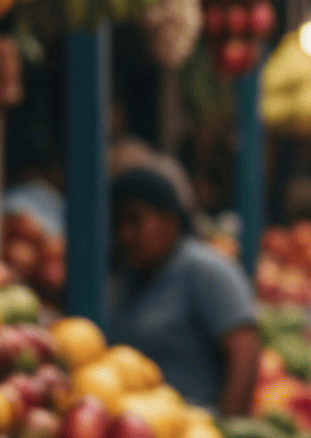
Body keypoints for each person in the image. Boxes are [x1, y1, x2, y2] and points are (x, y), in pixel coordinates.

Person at [106, 164, 259, 416]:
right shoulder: (129, 277)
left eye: (135, 220)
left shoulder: (205, 271)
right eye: (118, 222)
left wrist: (230, 424)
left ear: (170, 222)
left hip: (195, 433)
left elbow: (244, 349)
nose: (124, 234)